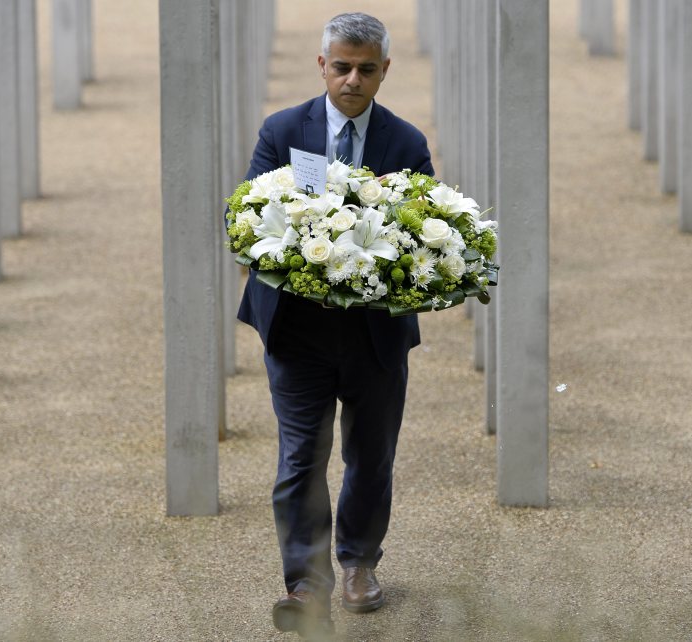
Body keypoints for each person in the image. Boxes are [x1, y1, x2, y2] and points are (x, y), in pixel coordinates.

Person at [236, 12, 433, 638]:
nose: (352, 79)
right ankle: (304, 581)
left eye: (366, 69)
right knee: (301, 456)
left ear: (383, 71)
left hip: (375, 332)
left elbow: (418, 237)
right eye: (341, 66)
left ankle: (358, 564)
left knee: (370, 456)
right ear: (321, 65)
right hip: (297, 330)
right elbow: (248, 220)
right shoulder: (283, 129)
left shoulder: (405, 142)